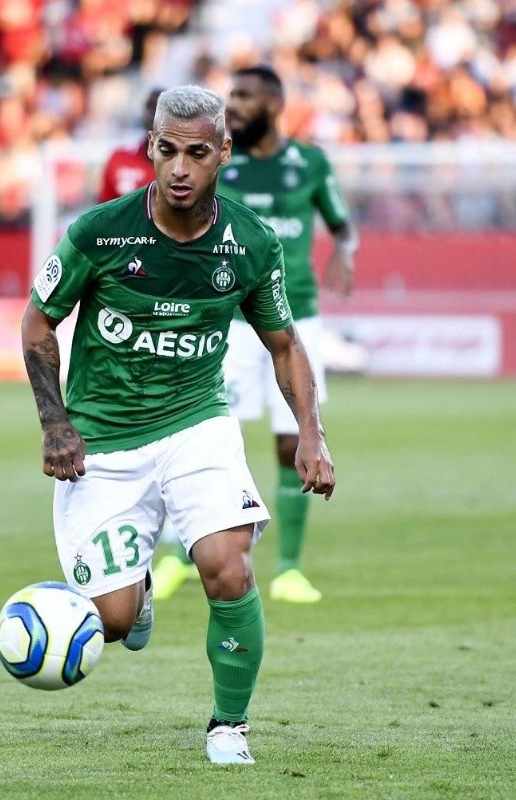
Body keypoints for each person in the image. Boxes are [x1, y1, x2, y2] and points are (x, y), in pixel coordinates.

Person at [21, 85, 335, 765]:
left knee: (228, 568)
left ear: (223, 152)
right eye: (168, 150)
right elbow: (38, 320)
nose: (181, 168)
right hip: (101, 442)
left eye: (198, 152)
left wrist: (311, 433)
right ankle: (132, 597)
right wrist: (56, 423)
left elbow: (285, 344)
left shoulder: (248, 244)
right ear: (152, 149)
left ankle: (229, 726)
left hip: (197, 422)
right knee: (113, 621)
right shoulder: (99, 232)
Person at [153, 65, 358, 604]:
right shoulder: (218, 161)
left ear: (273, 101)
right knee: (207, 437)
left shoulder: (310, 163)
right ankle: (177, 558)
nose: (234, 105)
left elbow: (341, 222)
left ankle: (288, 569)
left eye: (244, 97)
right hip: (231, 320)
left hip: (298, 317)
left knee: (294, 439)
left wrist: (344, 251)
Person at [97, 88, 162, 203]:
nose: (154, 115)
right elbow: (101, 211)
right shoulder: (119, 159)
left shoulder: (179, 168)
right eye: (150, 107)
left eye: (159, 109)